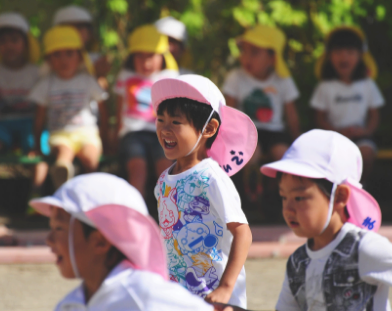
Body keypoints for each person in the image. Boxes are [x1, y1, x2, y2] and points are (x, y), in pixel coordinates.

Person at [29, 173, 215, 311]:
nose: (49, 240)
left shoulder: (144, 293)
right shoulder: (70, 305)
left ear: (100, 242)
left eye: (59, 229)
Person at [152, 74, 257, 308]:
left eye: (176, 123)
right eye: (160, 120)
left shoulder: (211, 177)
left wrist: (226, 288)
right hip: (180, 298)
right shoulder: (163, 181)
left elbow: (243, 233)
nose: (165, 129)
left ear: (208, 128)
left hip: (217, 297)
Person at [260, 129, 392, 310]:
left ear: (339, 197)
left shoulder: (366, 248)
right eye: (283, 197)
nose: (288, 209)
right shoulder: (297, 262)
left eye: (299, 198)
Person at [222, 25, 300, 205]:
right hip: (246, 130)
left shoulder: (283, 80)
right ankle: (251, 196)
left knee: (283, 155)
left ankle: (277, 196)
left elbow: (291, 115)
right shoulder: (235, 77)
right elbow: (228, 112)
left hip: (275, 131)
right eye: (244, 51)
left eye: (254, 52)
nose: (246, 57)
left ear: (272, 58)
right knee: (252, 155)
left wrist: (297, 142)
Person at [29, 26, 108, 189]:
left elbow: (103, 111)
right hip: (59, 134)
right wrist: (36, 146)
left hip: (88, 133)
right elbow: (39, 118)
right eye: (57, 54)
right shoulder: (45, 84)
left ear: (80, 56)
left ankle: (91, 192)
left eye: (69, 53)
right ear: (49, 59)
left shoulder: (87, 81)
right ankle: (63, 178)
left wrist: (106, 139)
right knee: (63, 153)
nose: (63, 59)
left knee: (91, 159)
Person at [311, 26, 384, 184]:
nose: (344, 57)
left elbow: (375, 115)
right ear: (329, 56)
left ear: (360, 56)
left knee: (366, 154)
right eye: (338, 52)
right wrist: (337, 131)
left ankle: (359, 190)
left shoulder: (368, 85)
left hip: (362, 136)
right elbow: (319, 118)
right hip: (332, 138)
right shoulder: (325, 86)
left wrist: (365, 130)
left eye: (350, 52)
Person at [114, 25, 178, 198]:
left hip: (162, 132)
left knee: (166, 170)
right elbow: (120, 107)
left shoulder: (170, 76)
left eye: (151, 56)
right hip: (132, 132)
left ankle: (171, 215)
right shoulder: (126, 76)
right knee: (137, 169)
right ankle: (136, 215)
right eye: (139, 56)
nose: (146, 62)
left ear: (162, 56)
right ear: (131, 57)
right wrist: (114, 135)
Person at [0, 12, 41, 155]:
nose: (9, 46)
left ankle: (40, 178)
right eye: (2, 41)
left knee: (35, 150)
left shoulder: (37, 72)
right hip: (2, 125)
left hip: (31, 124)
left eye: (14, 40)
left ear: (26, 43)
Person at [52, 5, 110, 89]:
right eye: (67, 28)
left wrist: (99, 75)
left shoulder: (96, 60)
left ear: (90, 33)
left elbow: (103, 93)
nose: (74, 32)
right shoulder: (51, 59)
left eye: (79, 27)